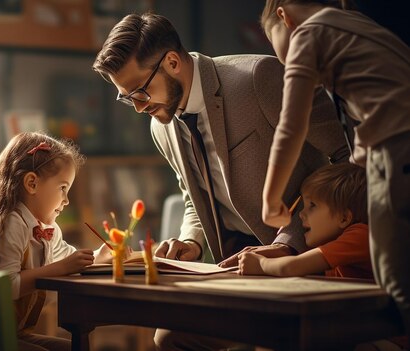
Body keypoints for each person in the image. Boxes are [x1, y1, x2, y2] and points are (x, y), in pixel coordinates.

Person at [92, 12, 349, 350]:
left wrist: (288, 243)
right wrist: (192, 241)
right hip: (234, 268)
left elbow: (346, 159)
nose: (139, 108)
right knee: (170, 338)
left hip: (307, 259)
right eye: (127, 98)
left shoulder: (259, 77)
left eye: (140, 92)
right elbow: (193, 197)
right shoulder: (161, 126)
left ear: (171, 62)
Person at [258, 0, 410, 343]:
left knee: (396, 286)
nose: (283, 59)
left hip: (397, 152)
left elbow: (292, 125)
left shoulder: (308, 33)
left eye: (274, 42)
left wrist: (270, 198)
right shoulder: (357, 26)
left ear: (284, 16)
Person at [0, 132, 110, 351]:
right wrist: (61, 267)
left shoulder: (45, 229)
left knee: (73, 348)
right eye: (63, 188)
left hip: (1, 336)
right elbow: (6, 286)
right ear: (32, 183)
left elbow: (69, 259)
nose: (67, 200)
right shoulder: (10, 223)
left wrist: (101, 255)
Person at [239, 163, 371, 279]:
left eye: (312, 205)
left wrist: (261, 264)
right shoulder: (335, 242)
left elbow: (292, 267)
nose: (301, 214)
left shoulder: (360, 236)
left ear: (344, 217)